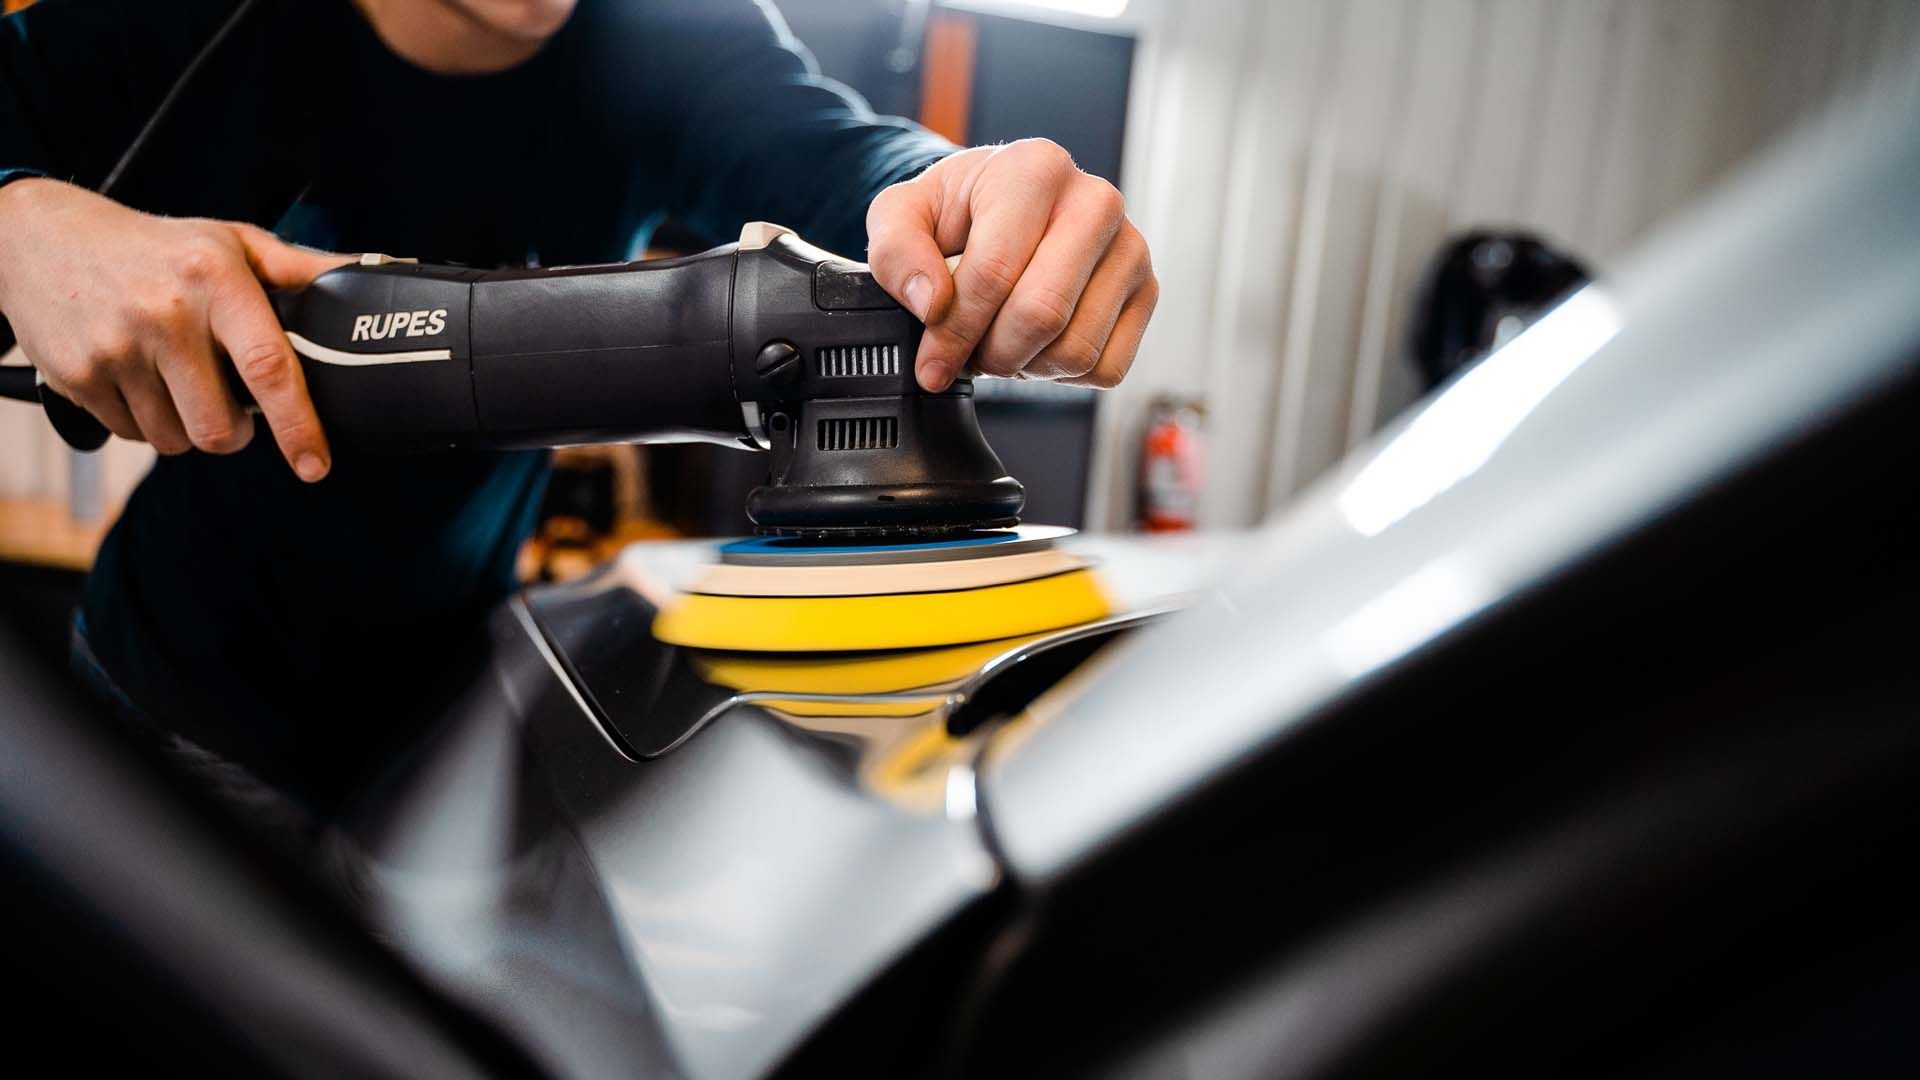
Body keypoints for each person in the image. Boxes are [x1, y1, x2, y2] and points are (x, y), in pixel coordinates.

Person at [0, 0, 1157, 823]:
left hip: (445, 726)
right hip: (169, 715)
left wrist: (977, 198)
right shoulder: (181, 22)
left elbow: (859, 165)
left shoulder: (668, 36)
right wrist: (21, 223)